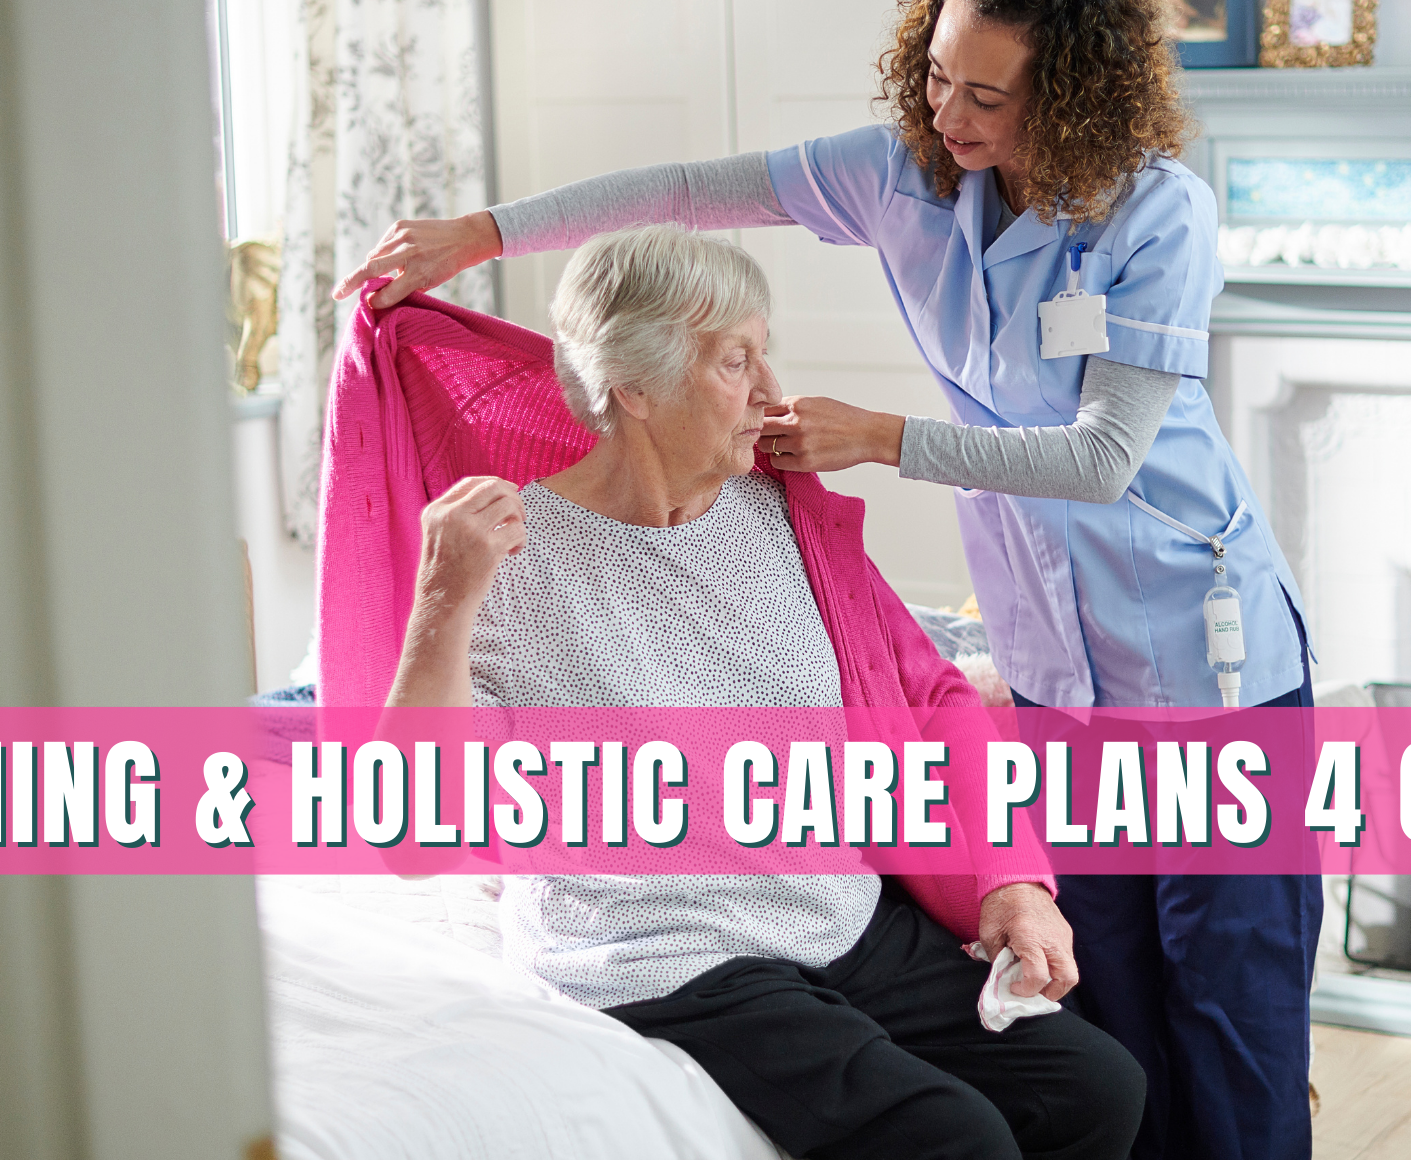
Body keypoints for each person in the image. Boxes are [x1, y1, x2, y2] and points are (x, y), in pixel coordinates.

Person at [341, 0, 1318, 1159]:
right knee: (1113, 1002)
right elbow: (689, 190)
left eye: (985, 95)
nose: (947, 114)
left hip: (1198, 645)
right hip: (1049, 659)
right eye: (934, 76)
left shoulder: (1153, 214)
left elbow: (1100, 460)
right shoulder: (903, 174)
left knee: (1230, 1007)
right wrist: (483, 232)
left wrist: (879, 437)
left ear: (1064, 98)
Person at [384, 223, 1145, 1160]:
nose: (773, 394)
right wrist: (443, 597)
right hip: (666, 951)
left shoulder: (784, 514)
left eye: (765, 354)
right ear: (634, 384)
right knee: (953, 1140)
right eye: (736, 361)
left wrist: (1014, 882)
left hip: (834, 915)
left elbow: (929, 693)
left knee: (1097, 1088)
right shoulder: (512, 560)